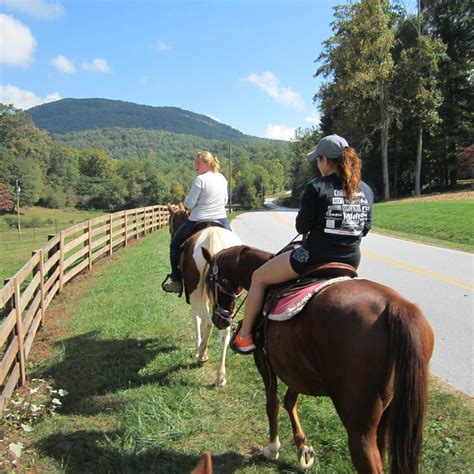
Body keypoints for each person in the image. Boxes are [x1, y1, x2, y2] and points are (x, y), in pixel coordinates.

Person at [232, 134, 374, 353]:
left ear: (325, 160)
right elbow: (364, 229)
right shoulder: (365, 189)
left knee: (259, 277)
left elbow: (301, 227)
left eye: (318, 160)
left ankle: (245, 336)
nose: (318, 165)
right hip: (351, 259)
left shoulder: (317, 186)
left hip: (313, 256)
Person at [163, 151, 231, 293]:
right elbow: (225, 201)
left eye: (198, 163)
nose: (196, 166)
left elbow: (189, 204)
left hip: (197, 219)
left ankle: (176, 281)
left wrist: (188, 200)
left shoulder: (200, 179)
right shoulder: (222, 178)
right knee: (236, 246)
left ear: (207, 163)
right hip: (220, 218)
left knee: (174, 245)